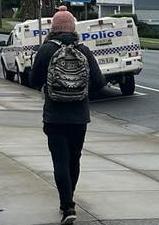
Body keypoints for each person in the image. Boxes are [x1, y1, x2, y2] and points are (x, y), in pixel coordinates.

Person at [30, 6, 105, 225]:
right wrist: (80, 90)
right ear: (73, 28)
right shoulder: (83, 50)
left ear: (53, 29)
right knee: (74, 159)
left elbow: (34, 80)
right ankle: (69, 198)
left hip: (54, 116)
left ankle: (67, 206)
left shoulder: (46, 51)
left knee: (60, 162)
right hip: (79, 117)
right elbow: (99, 83)